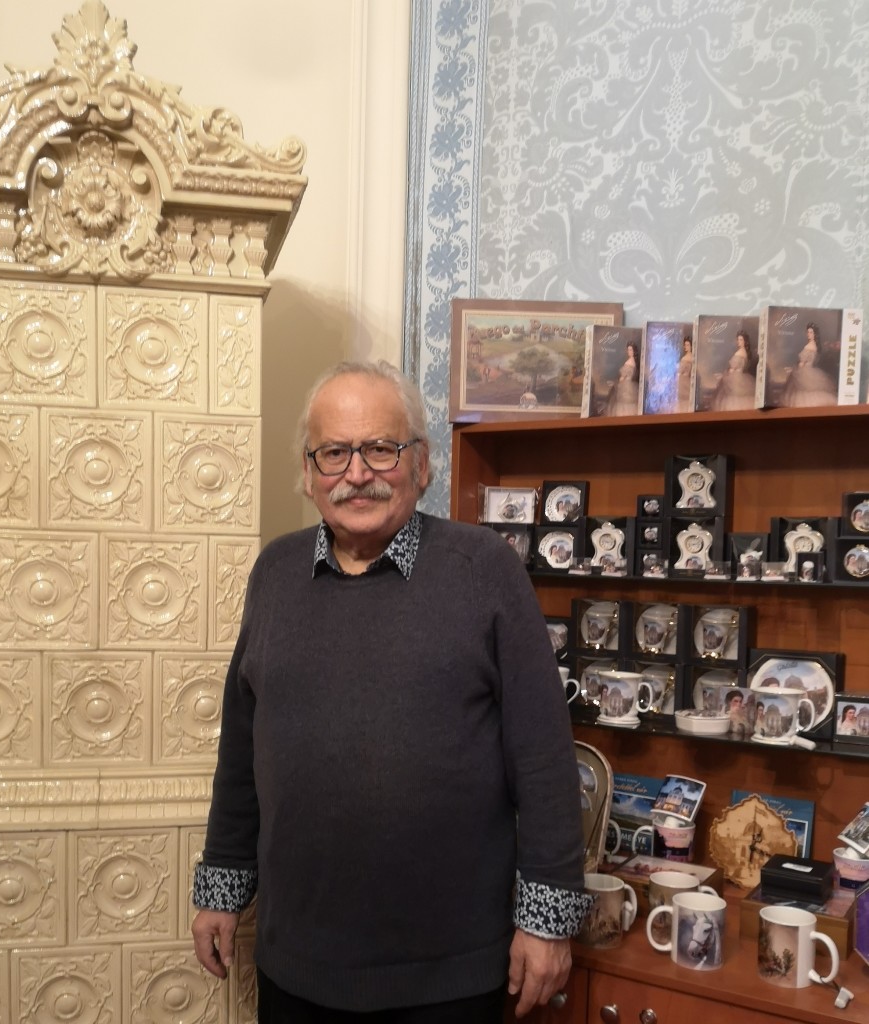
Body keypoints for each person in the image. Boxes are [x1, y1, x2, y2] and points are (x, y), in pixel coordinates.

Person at [190, 360, 591, 1022]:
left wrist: (547, 922)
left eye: (380, 448)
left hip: (449, 974)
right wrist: (221, 888)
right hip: (297, 963)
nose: (356, 473)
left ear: (421, 464)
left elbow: (544, 760)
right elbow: (241, 754)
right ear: (308, 470)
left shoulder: (483, 569)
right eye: (334, 453)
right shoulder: (275, 572)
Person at [781, 322, 837, 407]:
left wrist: (794, 369)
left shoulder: (810, 346)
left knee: (801, 396)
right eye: (808, 332)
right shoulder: (814, 346)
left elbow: (802, 363)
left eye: (811, 332)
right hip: (808, 370)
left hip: (805, 371)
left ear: (815, 334)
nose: (808, 334)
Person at [710, 330, 756, 411]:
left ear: (745, 341)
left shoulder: (741, 352)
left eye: (741, 340)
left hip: (736, 379)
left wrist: (723, 375)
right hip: (736, 377)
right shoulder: (742, 352)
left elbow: (733, 368)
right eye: (738, 339)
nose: (738, 341)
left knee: (731, 399)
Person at [605, 342, 640, 416]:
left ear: (634, 351)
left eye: (631, 350)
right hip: (631, 386)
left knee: (622, 403)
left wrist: (615, 382)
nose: (629, 352)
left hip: (626, 386)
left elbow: (622, 378)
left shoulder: (629, 362)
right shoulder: (634, 362)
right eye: (628, 350)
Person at [676, 336, 694, 412]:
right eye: (685, 345)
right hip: (687, 382)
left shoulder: (685, 358)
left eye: (688, 345)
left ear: (691, 346)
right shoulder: (693, 357)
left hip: (683, 383)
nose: (685, 347)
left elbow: (680, 371)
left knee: (683, 404)